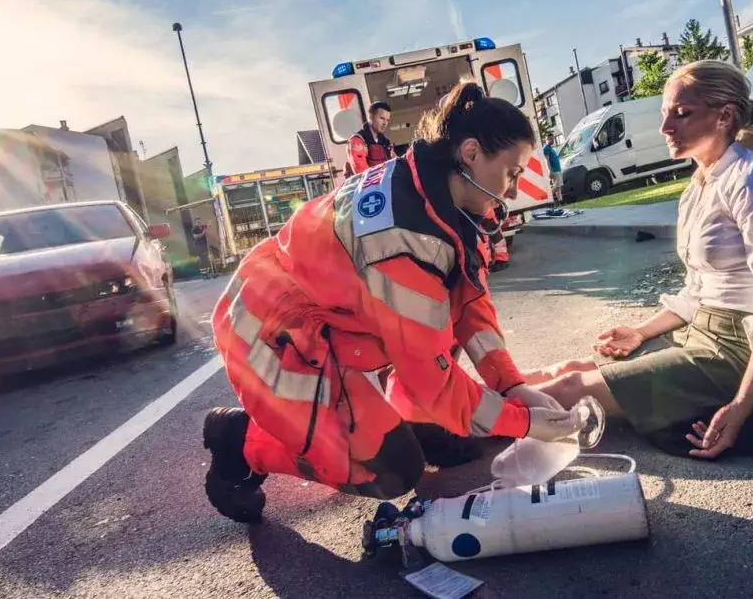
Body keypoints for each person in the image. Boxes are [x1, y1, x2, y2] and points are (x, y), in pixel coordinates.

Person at [203, 82, 582, 523]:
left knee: (443, 365)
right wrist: (523, 422)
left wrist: (512, 386)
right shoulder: (402, 237)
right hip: (276, 333)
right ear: (472, 153)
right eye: (512, 172)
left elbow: (469, 303)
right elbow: (432, 377)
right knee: (392, 473)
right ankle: (241, 441)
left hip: (332, 316)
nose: (514, 190)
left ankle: (413, 420)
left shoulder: (438, 195)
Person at [530, 60, 753, 461]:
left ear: (725, 115)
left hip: (735, 349)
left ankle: (452, 425)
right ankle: (454, 404)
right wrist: (642, 332)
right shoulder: (698, 187)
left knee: (568, 389)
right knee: (563, 370)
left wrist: (740, 408)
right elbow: (697, 289)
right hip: (699, 329)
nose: (665, 128)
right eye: (665, 114)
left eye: (681, 114)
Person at [346, 101, 394, 177]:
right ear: (371, 117)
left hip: (383, 183)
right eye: (382, 118)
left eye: (387, 120)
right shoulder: (357, 141)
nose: (385, 123)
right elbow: (361, 173)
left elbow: (393, 163)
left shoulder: (385, 142)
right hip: (367, 186)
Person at [542, 137, 563, 205]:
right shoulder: (546, 148)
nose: (552, 140)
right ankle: (548, 197)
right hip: (554, 170)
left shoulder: (551, 148)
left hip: (558, 169)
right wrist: (550, 171)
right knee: (557, 185)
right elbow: (547, 161)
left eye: (552, 139)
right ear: (546, 140)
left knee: (558, 187)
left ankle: (560, 201)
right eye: (550, 139)